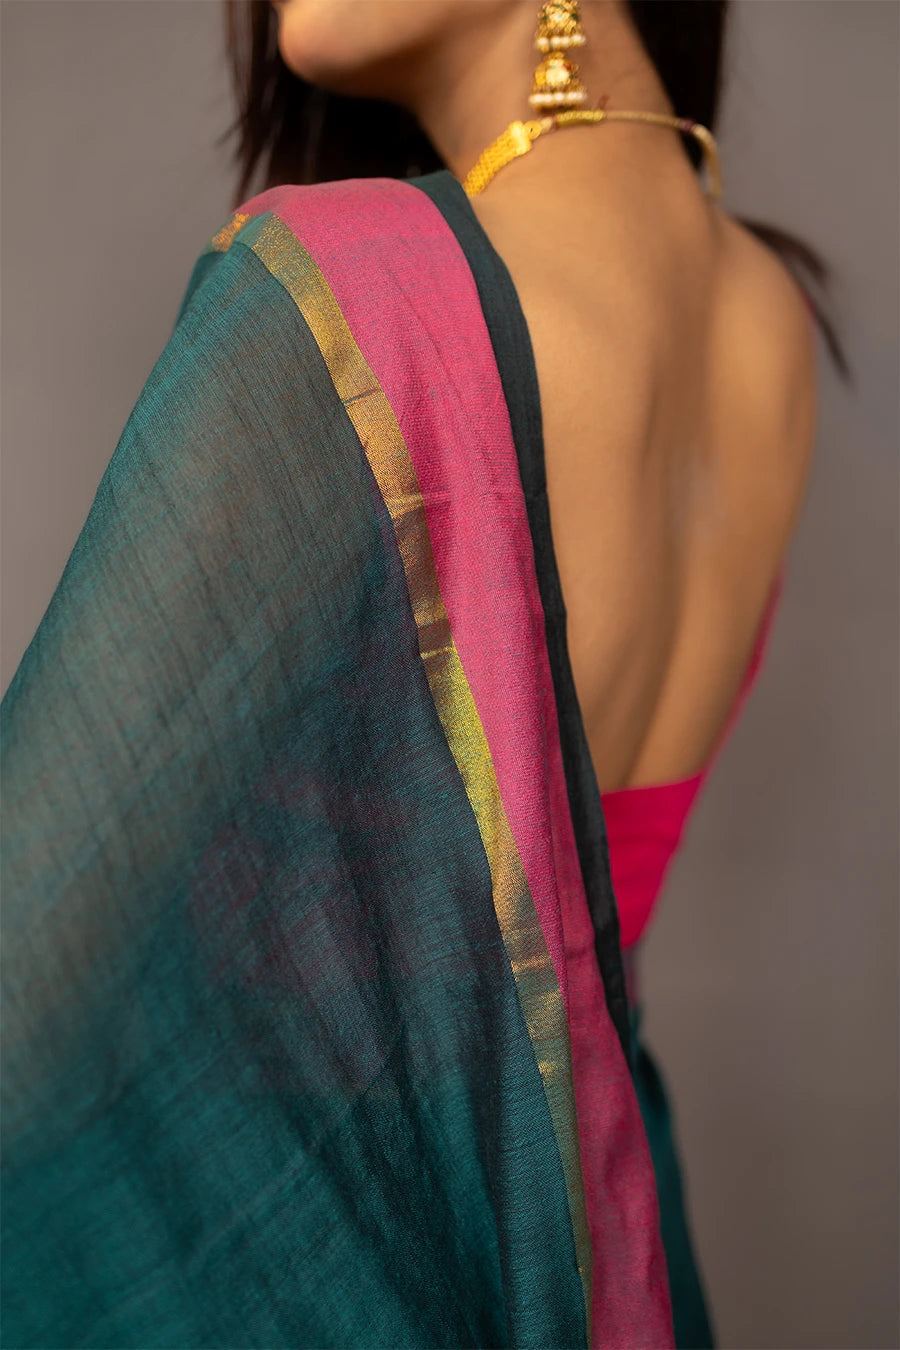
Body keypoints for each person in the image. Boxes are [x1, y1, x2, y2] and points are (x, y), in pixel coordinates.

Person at [1, 3, 849, 1348]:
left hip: (353, 1263)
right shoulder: (772, 325)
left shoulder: (342, 295)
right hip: (608, 1263)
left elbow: (21, 966)